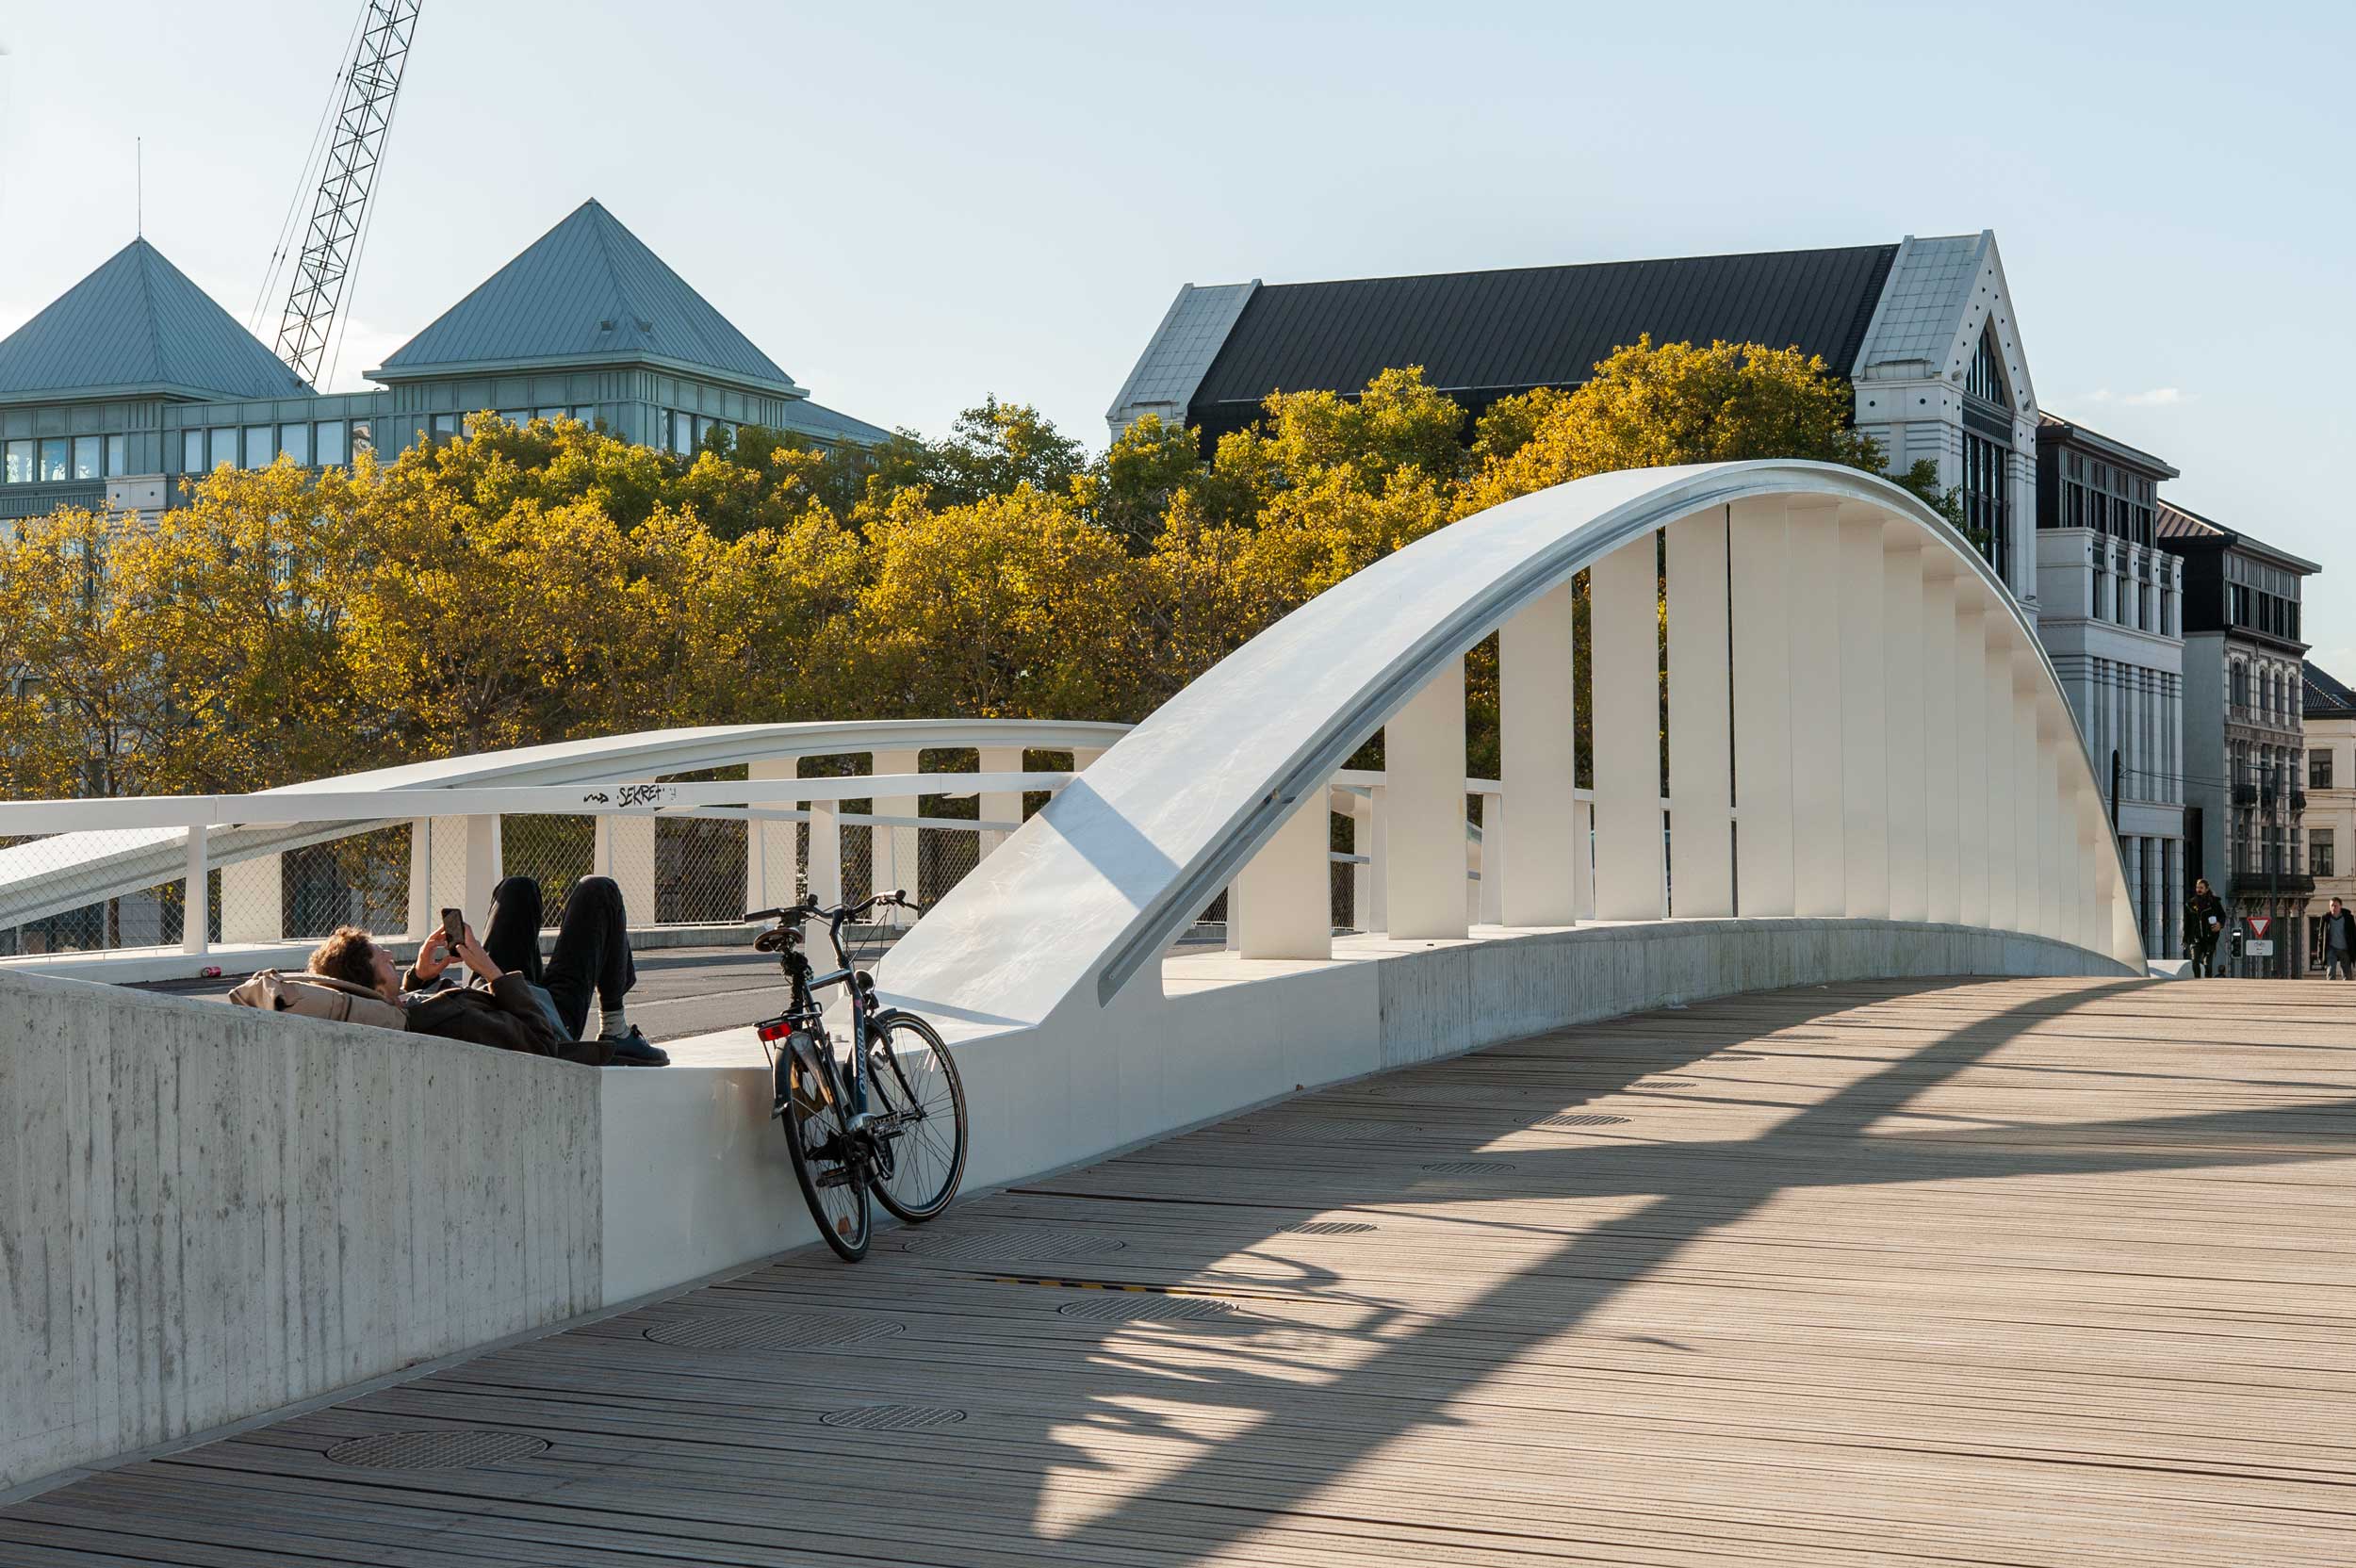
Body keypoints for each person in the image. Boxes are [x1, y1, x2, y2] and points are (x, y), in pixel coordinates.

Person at [2184, 878, 2225, 979]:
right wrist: (2185, 938)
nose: (2199, 890)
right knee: (2195, 961)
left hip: (2210, 937)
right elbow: (2187, 923)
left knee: (2207, 964)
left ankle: (2207, 981)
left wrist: (2220, 924)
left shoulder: (2214, 902)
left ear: (2206, 889)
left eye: (2201, 888)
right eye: (2197, 887)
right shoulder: (2190, 904)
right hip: (2196, 937)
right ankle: (2198, 981)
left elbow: (2222, 916)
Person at [2323, 897, 2356, 981]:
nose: (2333, 908)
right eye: (2331, 906)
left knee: (2347, 974)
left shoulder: (2348, 918)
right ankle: (2330, 988)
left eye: (2335, 906)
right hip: (2331, 949)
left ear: (2340, 906)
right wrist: (2320, 953)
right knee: (2330, 972)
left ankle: (2347, 988)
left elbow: (2353, 935)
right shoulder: (2326, 918)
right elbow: (2321, 937)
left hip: (2345, 949)